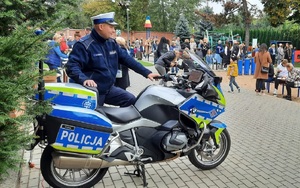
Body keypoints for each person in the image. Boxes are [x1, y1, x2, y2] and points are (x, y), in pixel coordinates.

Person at [66, 12, 159, 107]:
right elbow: (71, 67)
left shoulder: (111, 43)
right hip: (92, 91)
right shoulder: (84, 45)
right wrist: (84, 79)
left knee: (130, 100)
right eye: (111, 27)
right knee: (95, 120)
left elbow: (127, 59)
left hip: (108, 89)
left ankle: (120, 121)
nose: (114, 31)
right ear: (101, 26)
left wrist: (147, 73)